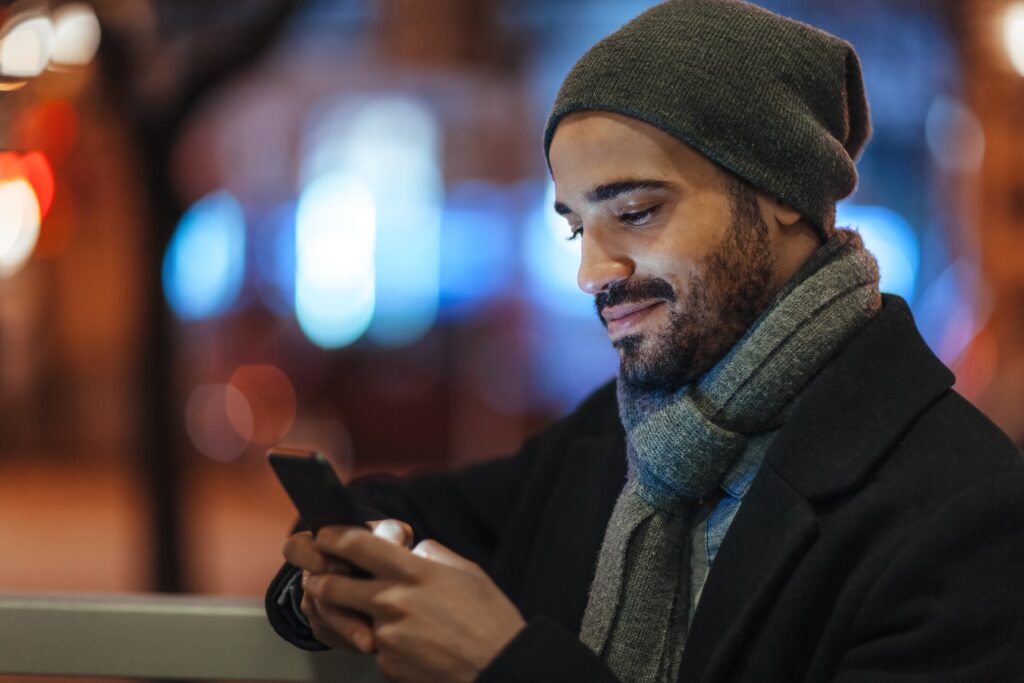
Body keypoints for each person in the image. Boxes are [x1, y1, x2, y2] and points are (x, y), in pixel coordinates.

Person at [266, 1, 1024, 681]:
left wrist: (506, 667)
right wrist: (325, 586)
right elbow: (395, 508)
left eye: (634, 212)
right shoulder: (621, 434)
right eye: (575, 226)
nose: (593, 272)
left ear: (784, 198)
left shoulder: (968, 512)